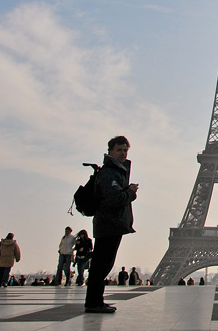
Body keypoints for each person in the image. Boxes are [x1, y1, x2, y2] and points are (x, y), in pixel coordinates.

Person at [84, 135, 138, 314]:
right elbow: (115, 198)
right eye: (119, 150)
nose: (123, 153)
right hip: (109, 223)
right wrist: (130, 193)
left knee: (103, 265)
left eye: (125, 150)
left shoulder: (116, 171)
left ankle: (96, 300)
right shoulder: (109, 173)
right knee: (101, 265)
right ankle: (93, 302)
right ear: (110, 152)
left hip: (112, 223)